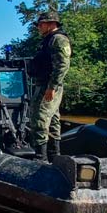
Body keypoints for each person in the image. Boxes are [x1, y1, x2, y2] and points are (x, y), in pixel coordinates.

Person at [29, 11, 71, 162]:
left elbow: (62, 65)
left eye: (41, 24)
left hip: (49, 86)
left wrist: (52, 87)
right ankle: (54, 157)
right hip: (45, 84)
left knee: (39, 118)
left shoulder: (58, 40)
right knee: (52, 120)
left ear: (50, 24)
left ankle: (41, 158)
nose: (39, 27)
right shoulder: (48, 40)